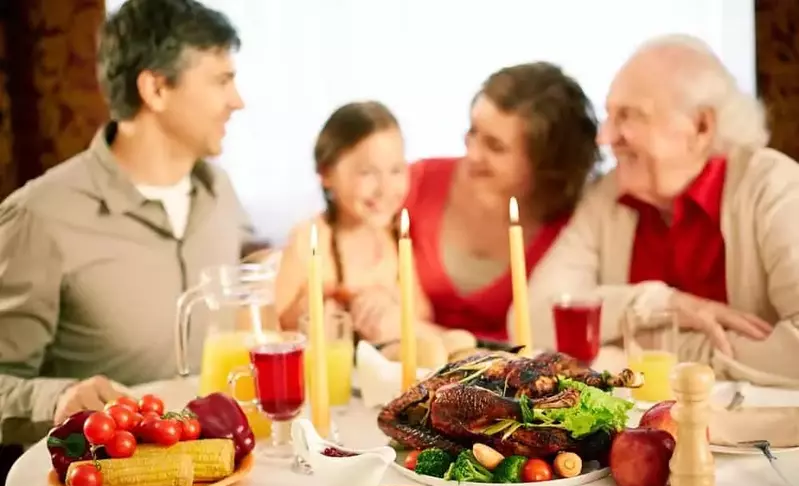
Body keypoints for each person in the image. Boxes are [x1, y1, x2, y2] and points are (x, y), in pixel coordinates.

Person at [0, 0, 253, 445]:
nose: (238, 101)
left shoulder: (221, 192)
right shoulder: (39, 217)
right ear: (155, 89)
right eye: (221, 81)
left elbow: (249, 273)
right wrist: (56, 399)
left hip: (224, 471)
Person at [523, 34, 799, 386]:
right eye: (609, 114)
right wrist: (659, 305)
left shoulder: (774, 188)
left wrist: (646, 348)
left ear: (700, 127)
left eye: (628, 116)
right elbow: (532, 316)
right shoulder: (610, 195)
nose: (604, 137)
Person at [353, 63, 600, 343]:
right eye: (473, 132)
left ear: (545, 163)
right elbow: (345, 241)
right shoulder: (417, 183)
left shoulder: (574, 229)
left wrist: (420, 332)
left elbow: (541, 347)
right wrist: (377, 292)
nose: (472, 154)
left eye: (495, 146)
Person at [275, 101, 431, 342]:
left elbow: (422, 316)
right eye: (367, 173)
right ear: (326, 174)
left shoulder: (396, 237)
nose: (385, 189)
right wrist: (303, 315)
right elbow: (266, 326)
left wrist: (392, 308)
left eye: (396, 170)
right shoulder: (308, 240)